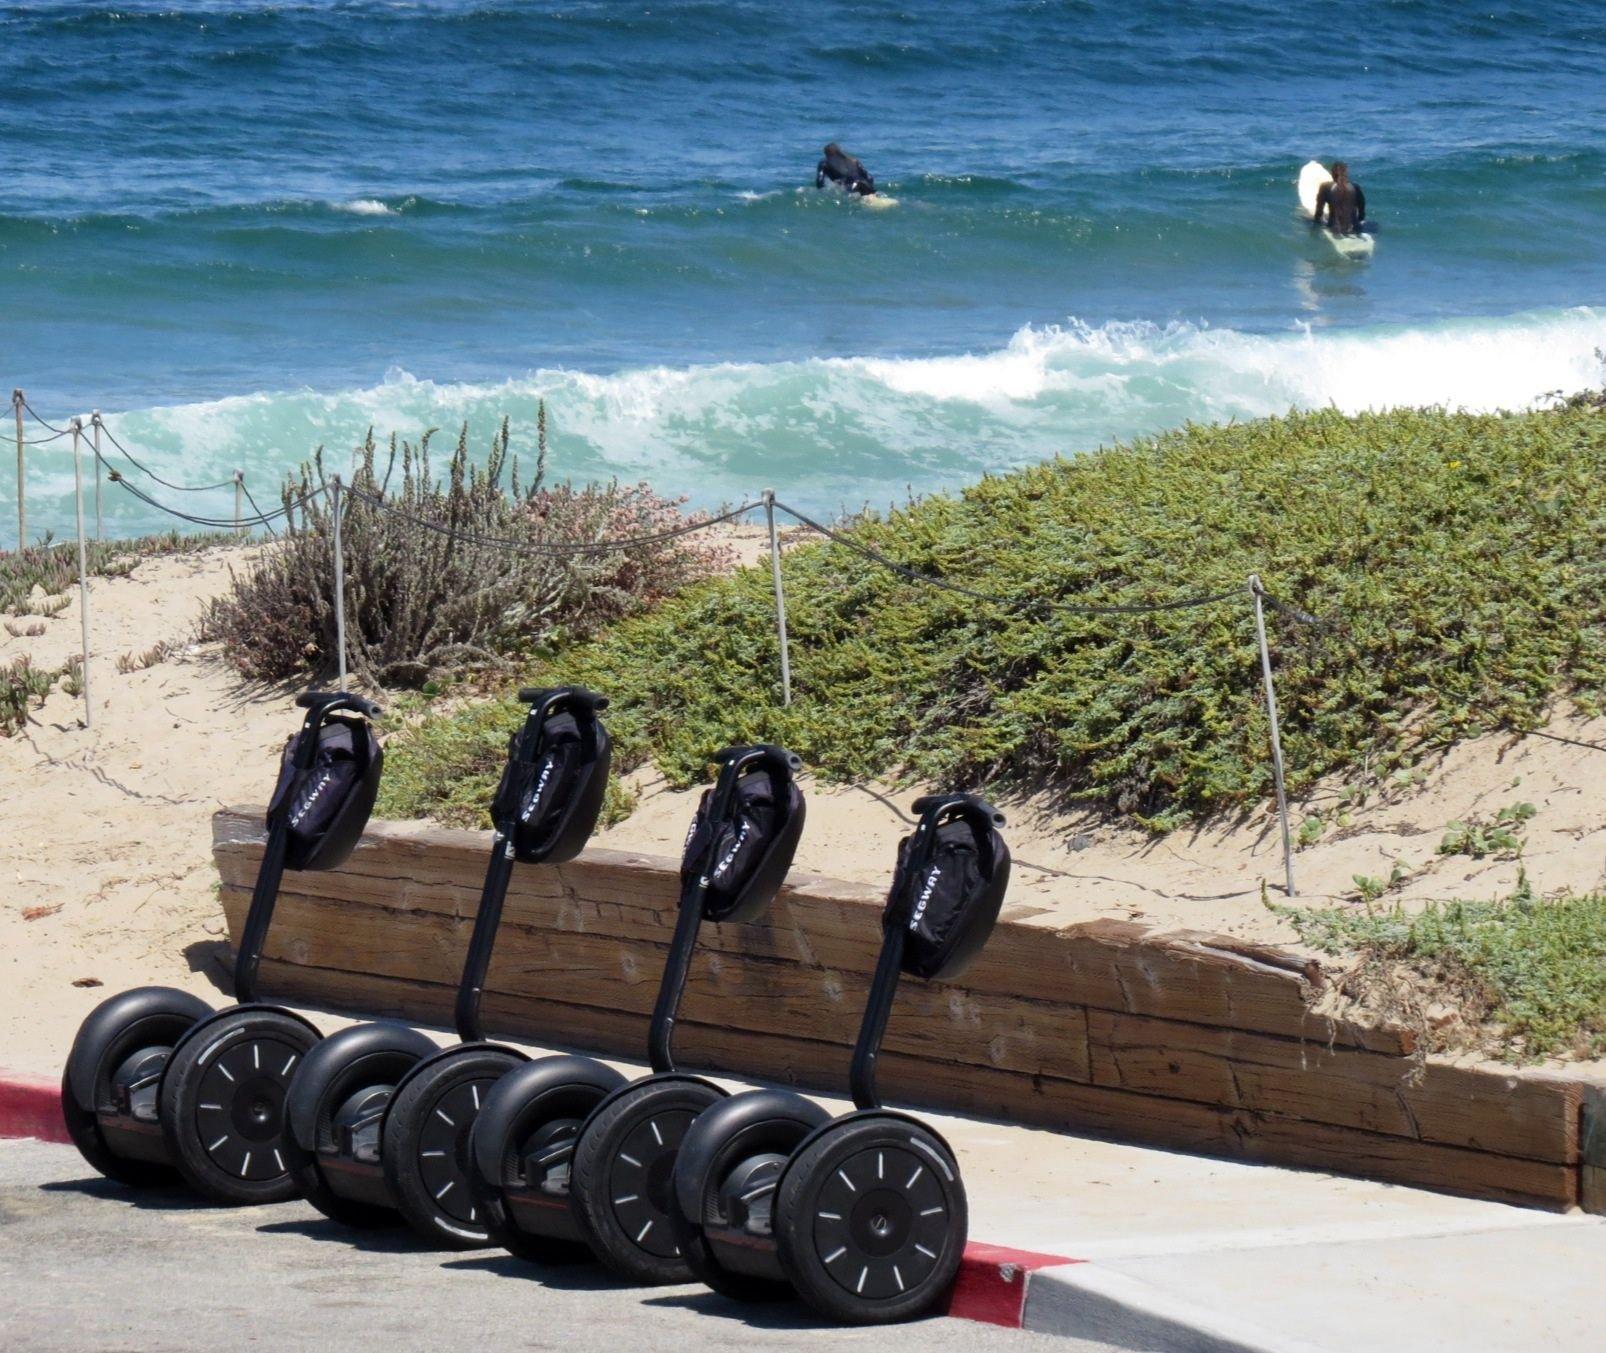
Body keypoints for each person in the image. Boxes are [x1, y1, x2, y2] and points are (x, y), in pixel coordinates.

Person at [1313, 161, 1366, 236]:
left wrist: (1316, 222)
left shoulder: (1325, 187)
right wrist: (1361, 219)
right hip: (1355, 226)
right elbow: (1362, 205)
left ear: (1332, 174)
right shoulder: (1355, 187)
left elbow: (1319, 209)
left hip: (1334, 226)